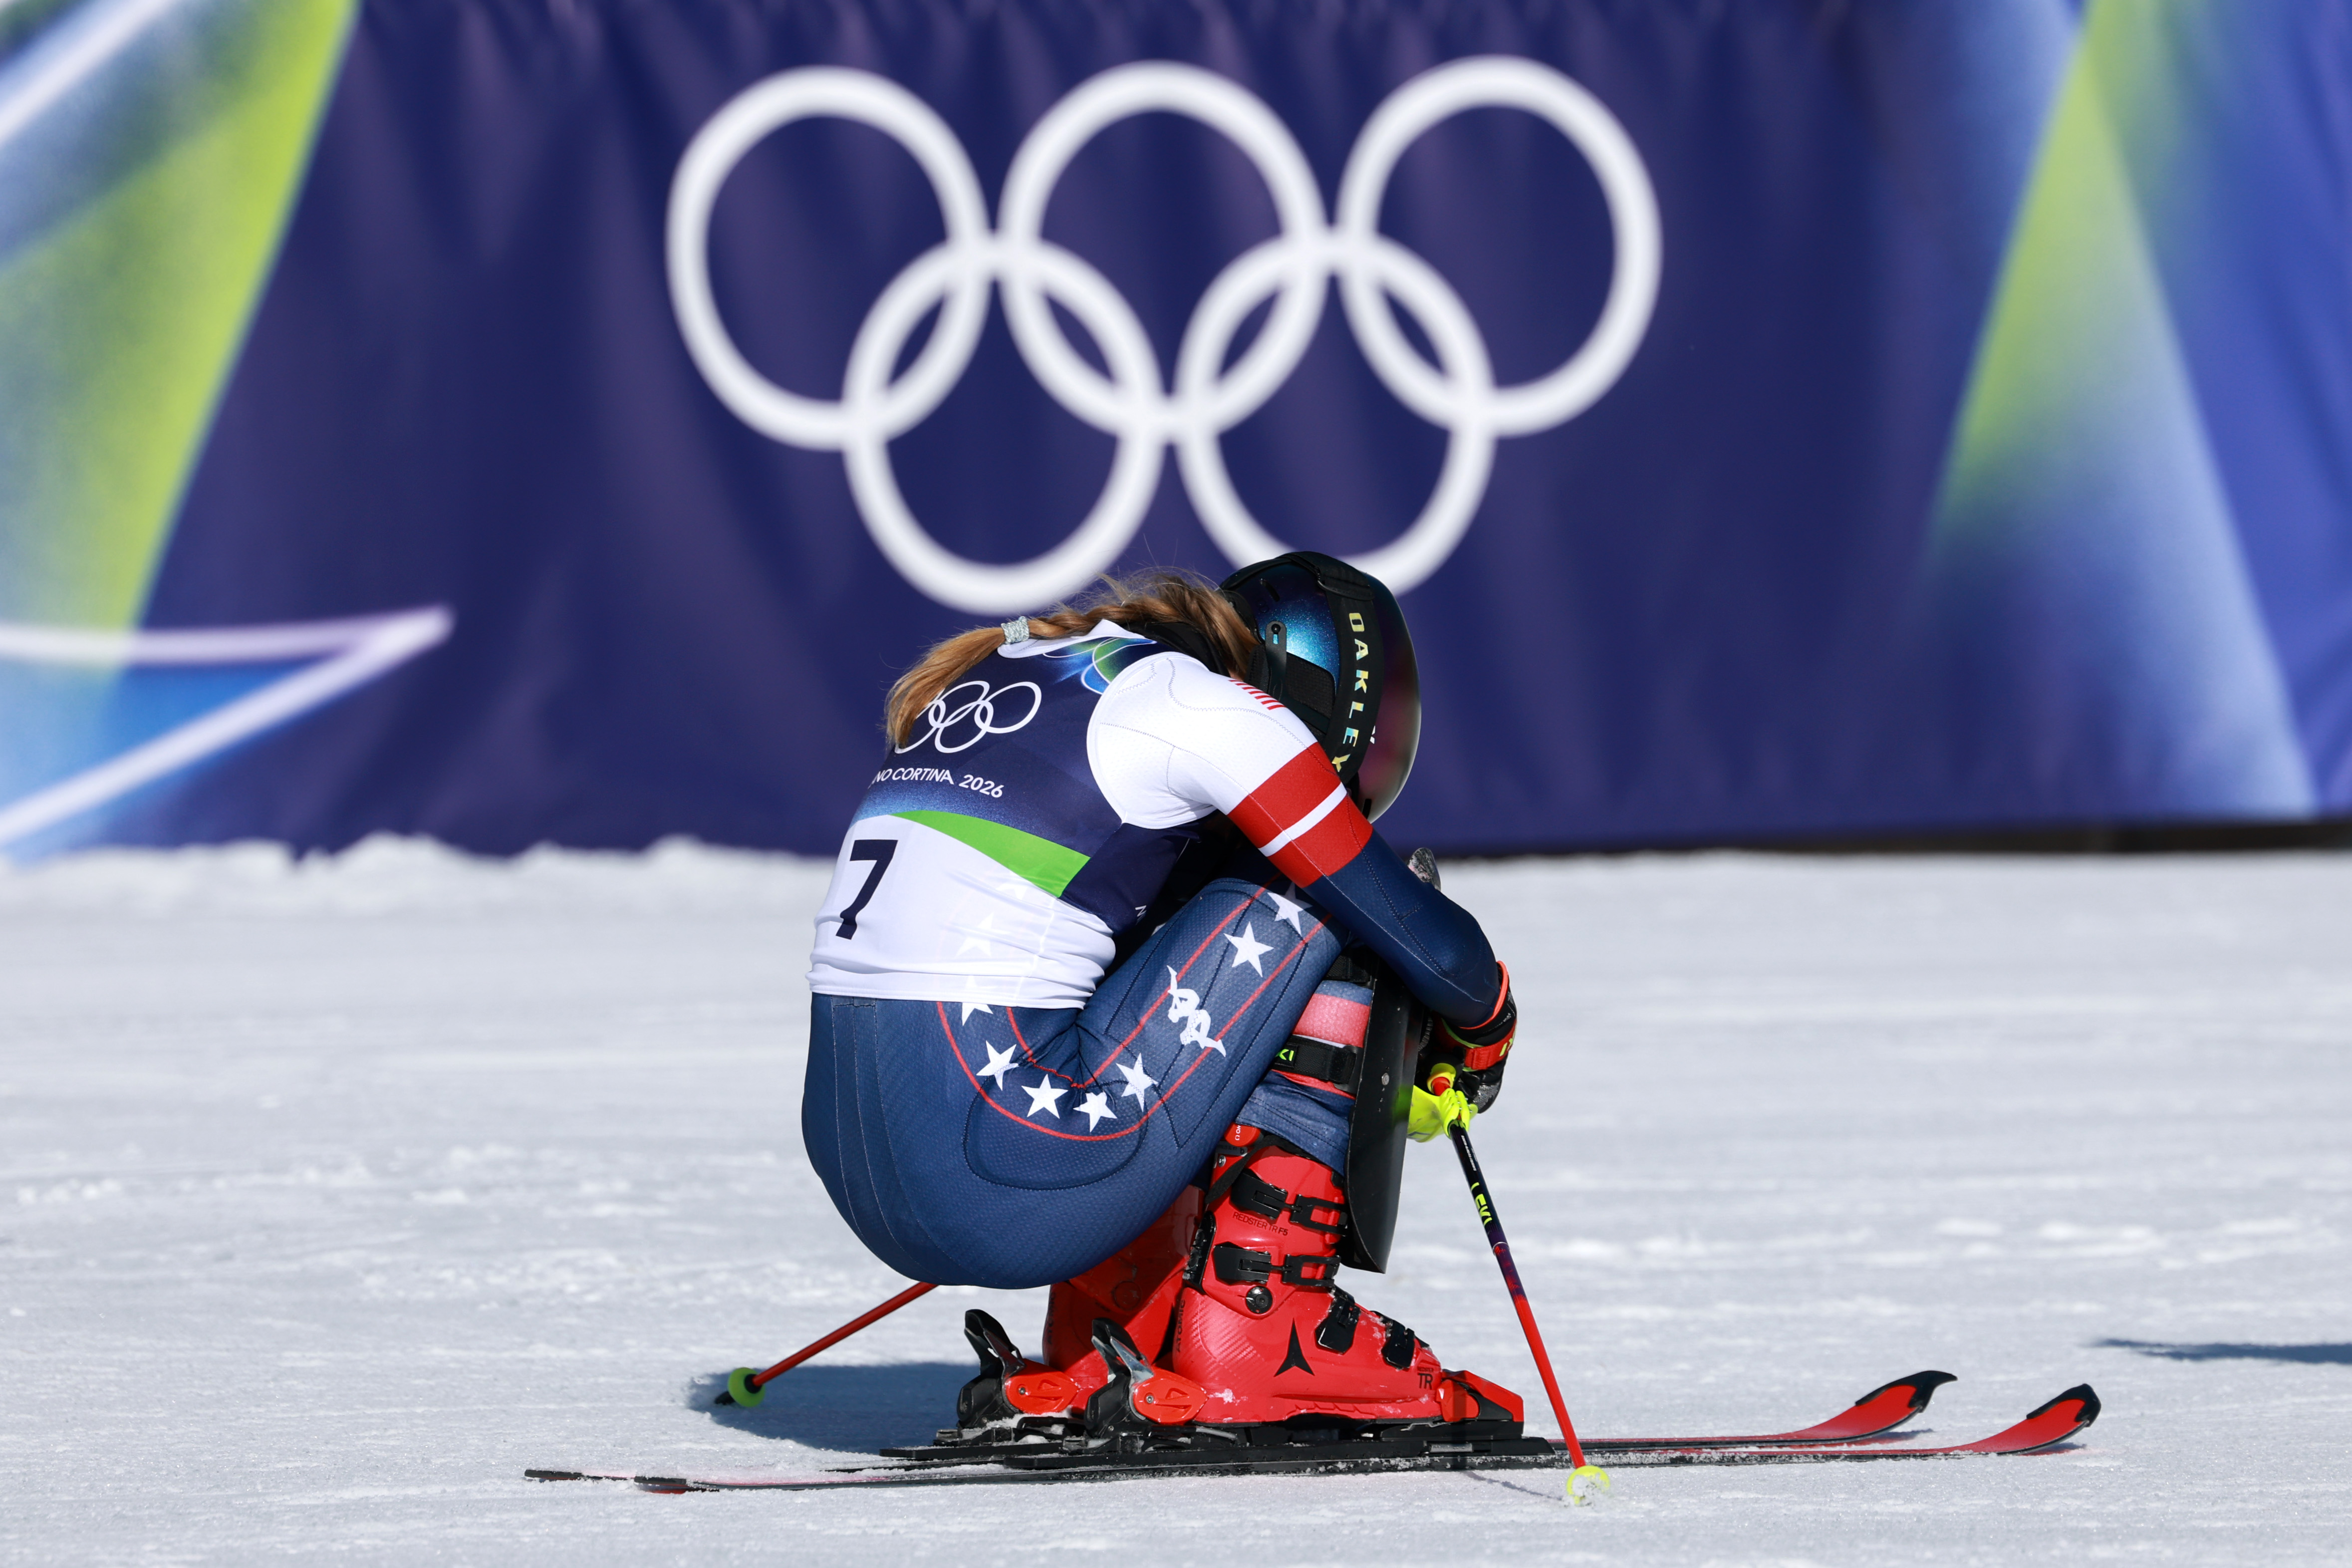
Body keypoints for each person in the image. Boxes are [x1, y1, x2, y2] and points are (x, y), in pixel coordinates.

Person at [803, 553, 1523, 1432]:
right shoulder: (1203, 708)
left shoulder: (1026, 665)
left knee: (1149, 892)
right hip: (1005, 1171)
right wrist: (1484, 1029)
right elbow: (1437, 948)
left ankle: (1102, 1330)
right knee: (1339, 893)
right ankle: (1261, 1333)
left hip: (865, 1166)